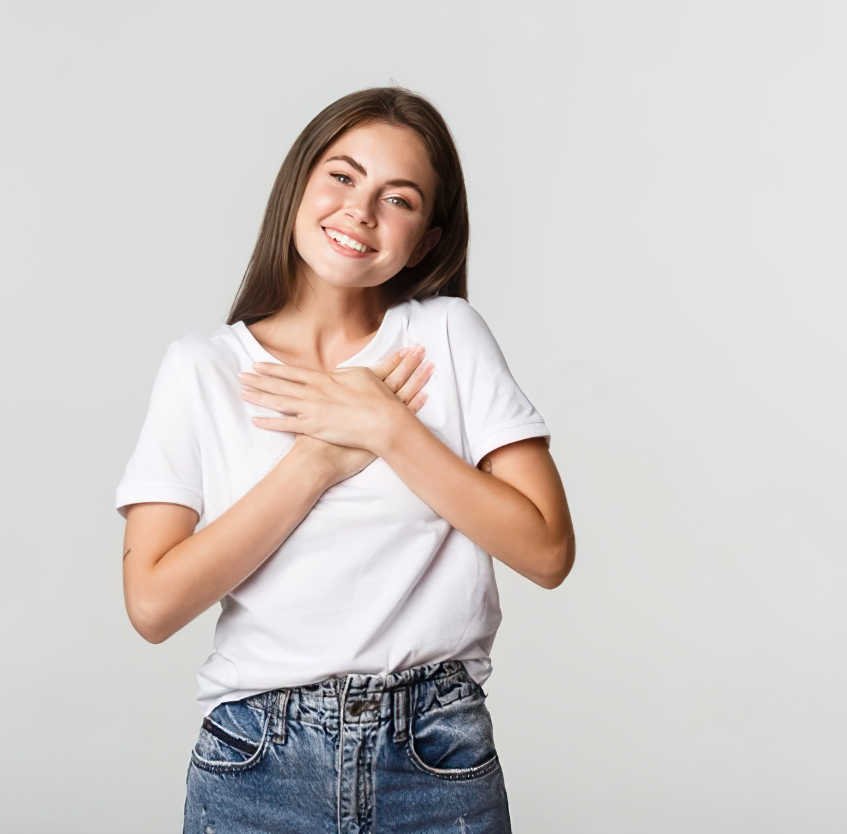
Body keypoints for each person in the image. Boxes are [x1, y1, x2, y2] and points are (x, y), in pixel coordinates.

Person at [116, 86, 574, 834]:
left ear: (426, 237)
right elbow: (153, 604)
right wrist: (316, 464)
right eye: (342, 175)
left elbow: (548, 550)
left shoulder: (450, 338)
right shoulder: (200, 368)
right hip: (256, 761)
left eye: (398, 198)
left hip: (434, 753)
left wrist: (391, 428)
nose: (360, 212)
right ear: (299, 183)